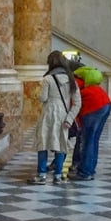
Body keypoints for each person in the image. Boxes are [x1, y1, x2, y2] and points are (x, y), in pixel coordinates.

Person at [30, 50, 81, 184]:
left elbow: (43, 97)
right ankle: (58, 175)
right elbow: (77, 103)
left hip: (48, 112)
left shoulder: (48, 79)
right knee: (61, 144)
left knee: (43, 143)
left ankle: (41, 175)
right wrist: (70, 119)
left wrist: (37, 93)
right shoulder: (71, 80)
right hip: (64, 114)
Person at [68, 66, 111, 181]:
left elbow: (74, 104)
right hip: (105, 103)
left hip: (93, 106)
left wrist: (75, 123)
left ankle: (84, 172)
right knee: (93, 139)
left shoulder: (73, 82)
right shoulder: (82, 79)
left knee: (87, 140)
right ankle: (90, 169)